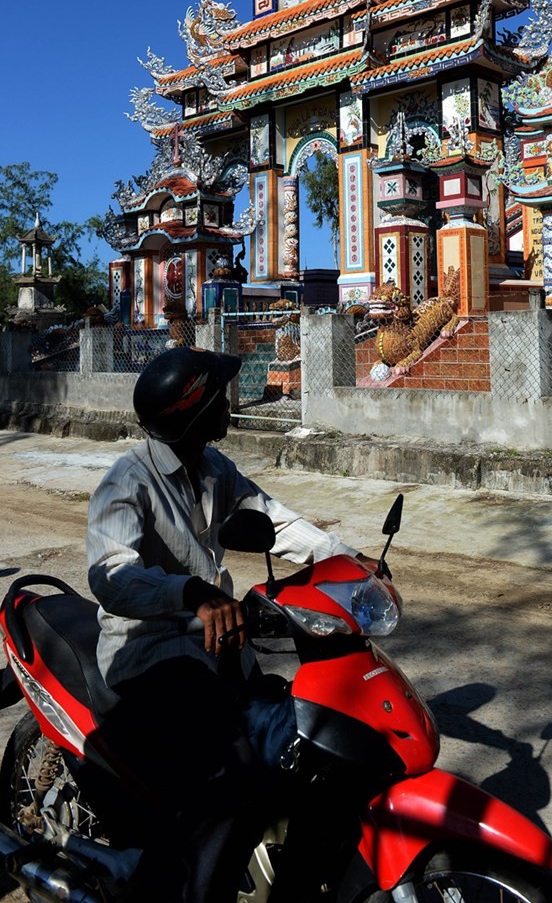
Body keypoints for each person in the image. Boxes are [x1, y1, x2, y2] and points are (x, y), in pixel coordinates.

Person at [87, 346, 362, 903]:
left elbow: (274, 521)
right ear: (195, 411)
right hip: (150, 656)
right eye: (219, 395)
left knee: (313, 739)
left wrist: (347, 563)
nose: (229, 401)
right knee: (231, 774)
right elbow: (109, 574)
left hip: (216, 651)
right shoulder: (128, 482)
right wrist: (189, 592)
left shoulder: (213, 467)